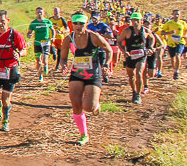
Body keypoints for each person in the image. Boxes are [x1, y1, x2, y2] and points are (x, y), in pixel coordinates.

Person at [59, 11, 113, 146]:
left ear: (86, 24)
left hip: (93, 74)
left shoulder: (94, 37)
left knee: (88, 107)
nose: (78, 26)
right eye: (75, 23)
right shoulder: (68, 39)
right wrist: (63, 65)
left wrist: (106, 65)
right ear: (72, 24)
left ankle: (95, 105)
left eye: (81, 24)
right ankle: (84, 134)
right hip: (77, 74)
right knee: (76, 105)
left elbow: (109, 50)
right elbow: (63, 57)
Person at [0, 10, 27, 132]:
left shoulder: (15, 34)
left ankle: (5, 120)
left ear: (7, 21)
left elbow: (24, 50)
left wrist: (19, 54)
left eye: (2, 21)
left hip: (10, 68)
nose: (0, 24)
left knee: (6, 99)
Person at [117, 12, 152, 104]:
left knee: (139, 73)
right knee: (131, 75)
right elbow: (119, 41)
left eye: (137, 20)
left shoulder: (145, 30)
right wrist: (124, 52)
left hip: (141, 55)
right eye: (133, 20)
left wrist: (150, 47)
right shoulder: (127, 31)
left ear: (141, 20)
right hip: (130, 55)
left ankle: (138, 94)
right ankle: (134, 91)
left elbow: (152, 38)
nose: (135, 22)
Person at [26, 7, 54, 83]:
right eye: (38, 12)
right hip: (37, 43)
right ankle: (40, 76)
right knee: (38, 61)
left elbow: (52, 29)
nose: (39, 14)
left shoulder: (47, 21)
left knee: (44, 59)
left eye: (41, 12)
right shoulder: (33, 23)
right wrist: (29, 35)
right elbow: (29, 32)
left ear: (44, 13)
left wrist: (53, 37)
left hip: (46, 42)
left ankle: (46, 66)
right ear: (36, 13)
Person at [158, 9, 186, 80]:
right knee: (173, 58)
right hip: (171, 42)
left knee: (178, 55)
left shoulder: (182, 23)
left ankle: (177, 71)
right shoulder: (169, 23)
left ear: (180, 15)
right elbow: (162, 32)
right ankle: (175, 70)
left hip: (180, 42)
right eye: (175, 14)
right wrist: (169, 32)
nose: (176, 16)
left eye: (178, 14)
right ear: (172, 14)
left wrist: (185, 35)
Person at [87, 12, 113, 83]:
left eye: (95, 18)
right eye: (92, 18)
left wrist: (100, 35)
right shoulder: (89, 26)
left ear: (99, 18)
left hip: (102, 48)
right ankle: (93, 77)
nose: (94, 19)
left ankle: (105, 75)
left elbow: (111, 35)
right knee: (92, 64)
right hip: (92, 48)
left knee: (103, 64)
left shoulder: (103, 26)